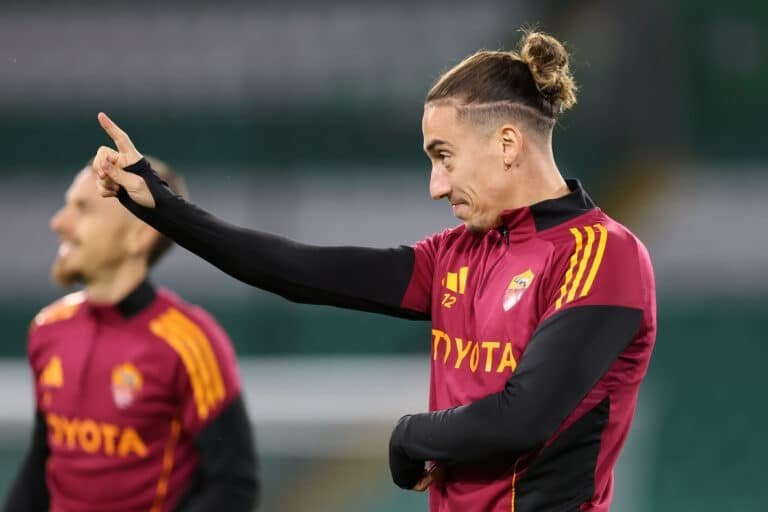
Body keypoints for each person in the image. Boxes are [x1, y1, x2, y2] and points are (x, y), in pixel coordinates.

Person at [92, 30, 656, 512]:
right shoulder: (456, 254)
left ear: (507, 143)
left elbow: (522, 418)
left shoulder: (602, 256)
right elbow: (296, 270)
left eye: (444, 156)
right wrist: (163, 208)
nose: (436, 185)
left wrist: (410, 435)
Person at [3, 158, 260, 512]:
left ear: (140, 235)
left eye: (83, 209)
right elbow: (40, 467)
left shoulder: (190, 341)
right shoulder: (48, 328)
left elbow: (234, 484)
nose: (59, 222)